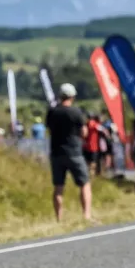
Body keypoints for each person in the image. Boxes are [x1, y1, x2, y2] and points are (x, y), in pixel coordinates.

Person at [45, 83, 92, 222]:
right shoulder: (76, 112)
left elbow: (49, 129)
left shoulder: (52, 112)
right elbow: (84, 132)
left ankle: (59, 217)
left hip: (56, 152)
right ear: (72, 96)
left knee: (58, 187)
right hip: (74, 151)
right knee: (84, 183)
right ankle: (86, 215)